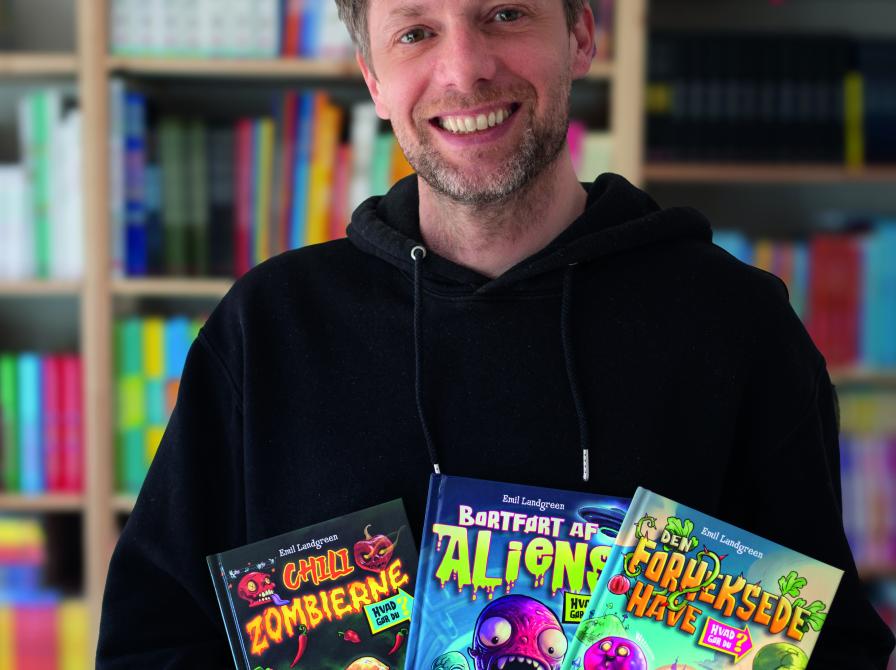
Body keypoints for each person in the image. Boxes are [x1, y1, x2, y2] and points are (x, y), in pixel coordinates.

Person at [97, 1, 895, 667]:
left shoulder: (737, 324)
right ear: (374, 79)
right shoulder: (269, 327)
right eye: (416, 32)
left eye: (505, 14)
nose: (464, 68)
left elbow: (830, 646)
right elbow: (153, 640)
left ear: (581, 35)